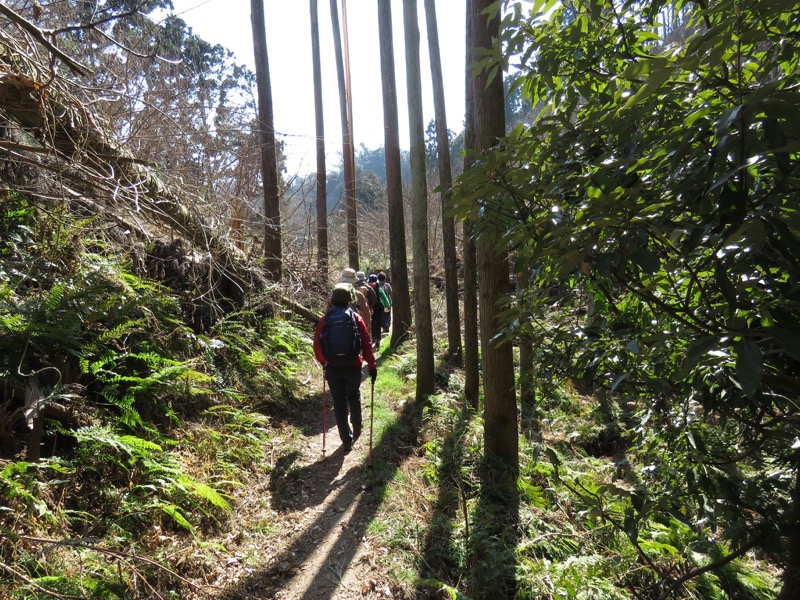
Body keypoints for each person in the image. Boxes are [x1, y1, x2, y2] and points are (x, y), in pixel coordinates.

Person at [313, 284, 377, 453]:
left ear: (332, 299)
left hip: (332, 367)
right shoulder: (356, 317)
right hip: (353, 365)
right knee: (353, 395)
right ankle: (357, 427)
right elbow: (366, 343)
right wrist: (372, 366)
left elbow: (316, 344)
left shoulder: (325, 319)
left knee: (339, 402)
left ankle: (346, 440)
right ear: (349, 300)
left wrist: (324, 361)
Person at [339, 267, 371, 334]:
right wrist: (365, 331)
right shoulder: (358, 295)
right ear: (353, 281)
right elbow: (367, 315)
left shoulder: (334, 295)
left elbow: (327, 314)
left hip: (337, 333)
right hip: (355, 331)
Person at [368, 274, 384, 350]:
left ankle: (373, 337)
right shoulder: (379, 288)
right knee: (378, 324)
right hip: (379, 308)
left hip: (371, 309)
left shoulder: (367, 289)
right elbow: (384, 297)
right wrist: (388, 305)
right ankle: (378, 338)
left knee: (372, 323)